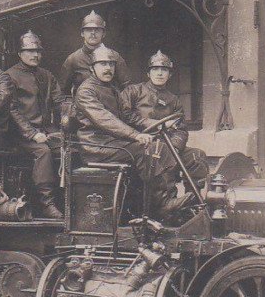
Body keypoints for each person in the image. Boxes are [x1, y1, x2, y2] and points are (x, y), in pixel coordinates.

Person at [74, 44, 192, 219]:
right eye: (102, 64)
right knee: (147, 150)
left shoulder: (112, 88)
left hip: (113, 144)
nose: (108, 68)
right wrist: (135, 135)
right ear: (92, 68)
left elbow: (127, 116)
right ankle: (161, 205)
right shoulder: (86, 90)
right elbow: (105, 119)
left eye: (111, 64)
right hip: (96, 145)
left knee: (155, 148)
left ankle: (162, 205)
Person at [119, 50, 209, 186]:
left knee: (196, 157)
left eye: (164, 70)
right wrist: (154, 125)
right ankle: (165, 202)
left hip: (167, 144)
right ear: (148, 73)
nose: (160, 73)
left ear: (170, 74)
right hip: (139, 144)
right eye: (155, 69)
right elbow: (125, 116)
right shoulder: (133, 91)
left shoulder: (174, 100)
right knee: (160, 156)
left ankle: (192, 203)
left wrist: (175, 147)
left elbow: (181, 129)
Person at [7, 31, 63, 219]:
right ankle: (46, 203)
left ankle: (67, 201)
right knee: (43, 152)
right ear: (20, 54)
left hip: (46, 131)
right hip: (19, 134)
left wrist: (65, 123)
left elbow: (59, 102)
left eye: (38, 51)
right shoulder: (10, 76)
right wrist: (31, 133)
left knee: (69, 149)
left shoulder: (47, 75)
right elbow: (11, 110)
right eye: (29, 51)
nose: (35, 55)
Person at [59, 10, 129, 95]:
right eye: (88, 30)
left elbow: (127, 88)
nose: (93, 33)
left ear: (103, 33)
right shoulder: (73, 59)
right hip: (83, 105)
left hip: (110, 105)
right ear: (82, 33)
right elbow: (62, 92)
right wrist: (72, 107)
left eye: (97, 30)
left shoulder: (115, 56)